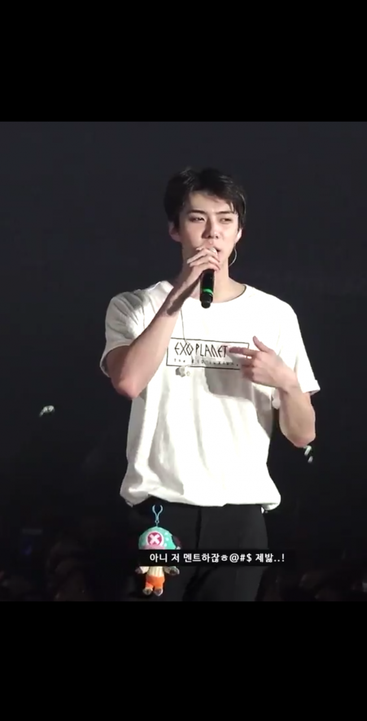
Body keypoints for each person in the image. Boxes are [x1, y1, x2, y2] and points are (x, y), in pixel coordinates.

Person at [100, 167, 319, 601]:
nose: (212, 233)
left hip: (240, 517)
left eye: (225, 220)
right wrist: (178, 296)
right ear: (175, 229)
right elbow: (128, 381)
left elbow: (302, 434)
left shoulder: (275, 315)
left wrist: (287, 383)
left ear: (239, 233)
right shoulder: (134, 306)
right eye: (198, 219)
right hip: (161, 514)